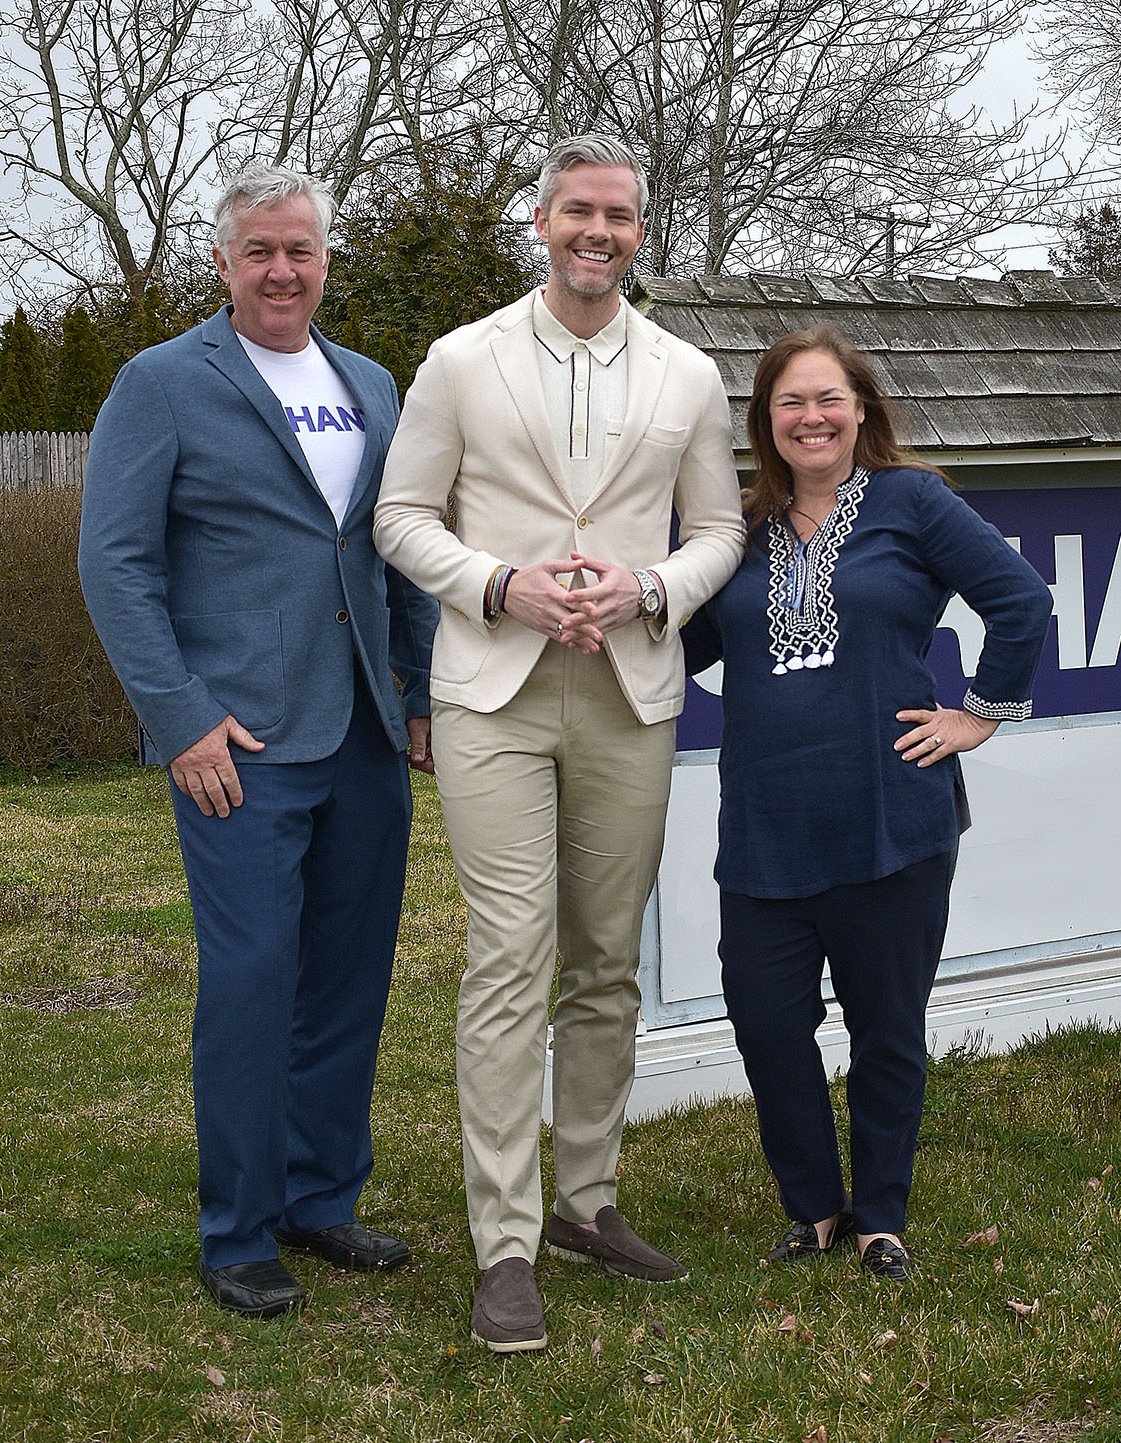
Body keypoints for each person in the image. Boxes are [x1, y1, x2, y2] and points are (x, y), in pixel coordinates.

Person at [373, 135, 745, 1351]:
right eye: (579, 212)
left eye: (621, 217)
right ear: (542, 222)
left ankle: (587, 1200)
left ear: (642, 231)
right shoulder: (459, 359)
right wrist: (496, 585)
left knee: (604, 962)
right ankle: (506, 1243)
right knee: (509, 955)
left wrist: (647, 588)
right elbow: (401, 515)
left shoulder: (687, 373)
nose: (599, 232)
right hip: (495, 692)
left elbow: (721, 532)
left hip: (629, 691)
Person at [78, 163, 439, 1319]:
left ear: (327, 259)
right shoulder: (163, 383)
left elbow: (400, 547)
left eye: (303, 250)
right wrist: (179, 716)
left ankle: (320, 1196)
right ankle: (237, 1228)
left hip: (365, 734)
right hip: (241, 745)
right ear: (223, 262)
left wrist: (422, 694)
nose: (283, 270)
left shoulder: (375, 386)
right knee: (250, 982)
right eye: (260, 252)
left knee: (346, 979)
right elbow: (114, 564)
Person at [681, 326, 1051, 1280]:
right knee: (767, 1022)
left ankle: (880, 1213)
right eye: (790, 403)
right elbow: (679, 647)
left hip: (892, 818)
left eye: (828, 399)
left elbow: (1021, 599)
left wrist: (978, 716)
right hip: (765, 825)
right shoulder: (737, 530)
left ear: (860, 410)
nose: (812, 417)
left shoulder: (909, 502)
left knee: (888, 1026)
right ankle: (813, 1209)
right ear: (764, 422)